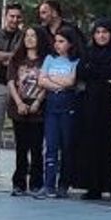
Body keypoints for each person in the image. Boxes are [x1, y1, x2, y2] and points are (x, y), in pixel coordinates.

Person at [74, 20, 111, 201]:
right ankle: (93, 186)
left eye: (105, 32)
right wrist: (100, 71)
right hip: (91, 105)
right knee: (91, 145)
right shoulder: (88, 53)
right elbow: (81, 71)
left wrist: (95, 70)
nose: (101, 36)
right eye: (98, 32)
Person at [8, 26, 48, 197]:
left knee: (36, 147)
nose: (30, 39)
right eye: (27, 36)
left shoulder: (46, 59)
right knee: (21, 147)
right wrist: (18, 102)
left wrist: (38, 101)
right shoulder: (16, 59)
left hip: (38, 108)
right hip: (19, 106)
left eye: (33, 36)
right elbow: (10, 81)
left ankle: (37, 182)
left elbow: (48, 81)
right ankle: (19, 183)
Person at [40, 30, 79, 199]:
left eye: (62, 41)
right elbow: (42, 80)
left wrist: (52, 79)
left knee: (67, 145)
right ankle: (49, 184)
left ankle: (64, 183)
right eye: (56, 41)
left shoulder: (75, 61)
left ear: (70, 43)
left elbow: (71, 82)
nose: (57, 44)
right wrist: (58, 83)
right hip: (52, 106)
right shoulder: (49, 59)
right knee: (51, 145)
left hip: (67, 105)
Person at [0, 3, 24, 172]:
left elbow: (23, 57)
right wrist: (11, 57)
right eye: (11, 16)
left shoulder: (23, 37)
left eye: (17, 17)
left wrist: (7, 58)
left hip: (19, 87)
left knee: (22, 127)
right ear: (5, 17)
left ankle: (22, 165)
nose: (14, 19)